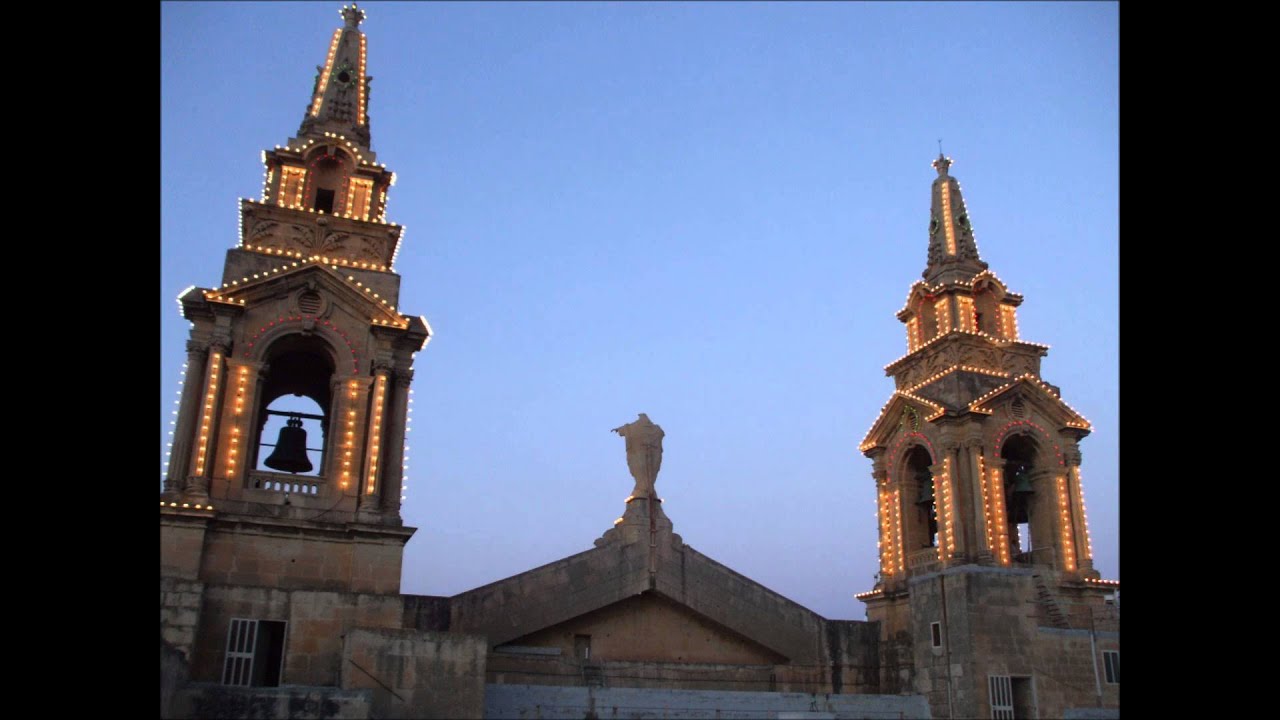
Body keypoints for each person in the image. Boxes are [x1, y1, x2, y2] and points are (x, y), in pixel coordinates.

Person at [611, 413, 664, 499]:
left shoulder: (638, 427)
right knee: (640, 471)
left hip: (647, 454)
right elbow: (661, 433)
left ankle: (643, 490)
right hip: (643, 454)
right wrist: (620, 429)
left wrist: (620, 429)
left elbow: (628, 428)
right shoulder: (655, 429)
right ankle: (643, 489)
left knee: (644, 471)